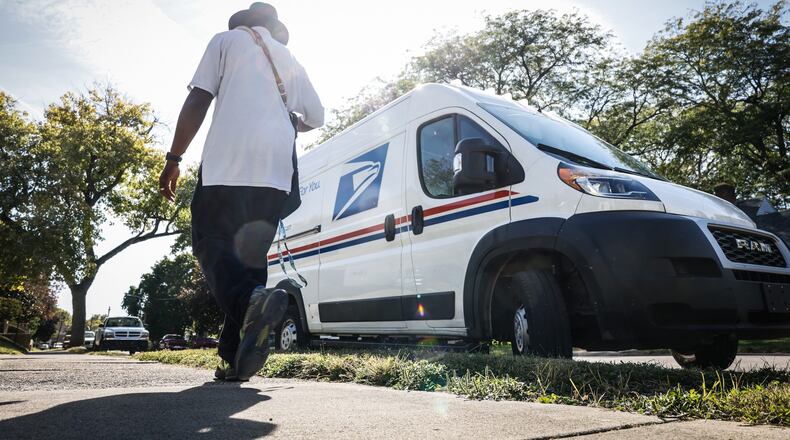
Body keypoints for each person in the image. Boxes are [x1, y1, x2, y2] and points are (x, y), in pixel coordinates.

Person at [158, 2, 324, 381]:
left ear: (247, 22)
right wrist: (286, 122)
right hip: (276, 172)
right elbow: (316, 117)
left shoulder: (226, 41)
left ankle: (249, 301)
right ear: (273, 28)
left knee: (210, 240)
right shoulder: (290, 59)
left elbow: (199, 98)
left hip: (227, 163)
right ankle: (235, 356)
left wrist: (174, 157)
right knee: (250, 259)